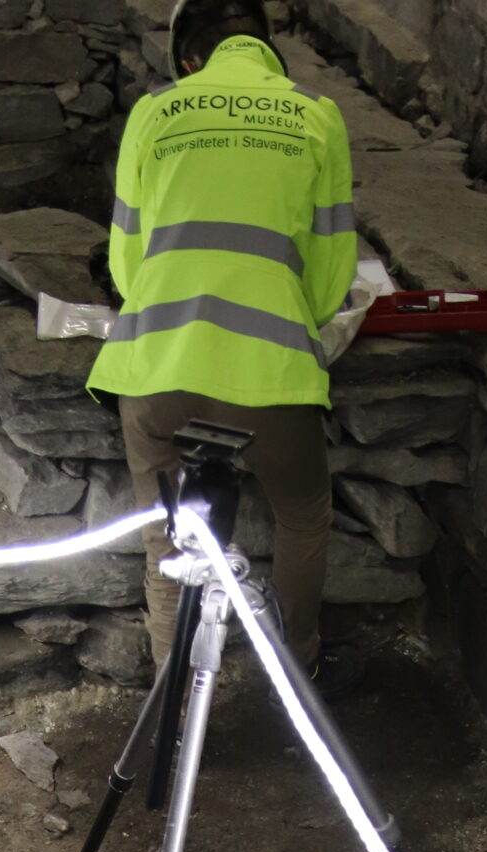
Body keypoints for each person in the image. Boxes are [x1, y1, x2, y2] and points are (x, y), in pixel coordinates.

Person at [88, 0, 357, 672]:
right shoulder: (318, 116)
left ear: (188, 58)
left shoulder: (156, 110)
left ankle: (169, 695)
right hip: (269, 376)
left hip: (154, 372)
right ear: (265, 47)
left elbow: (126, 263)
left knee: (165, 544)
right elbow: (329, 281)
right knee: (301, 516)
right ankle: (299, 669)